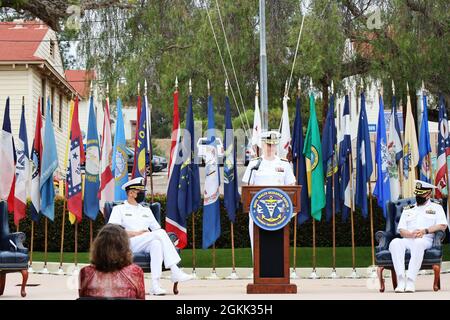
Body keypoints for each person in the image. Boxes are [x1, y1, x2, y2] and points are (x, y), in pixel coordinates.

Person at [108, 177, 192, 295]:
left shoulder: (146, 211)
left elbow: (157, 230)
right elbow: (113, 230)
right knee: (160, 235)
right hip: (127, 243)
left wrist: (149, 235)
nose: (142, 194)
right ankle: (175, 270)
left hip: (146, 241)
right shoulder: (119, 209)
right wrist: (135, 233)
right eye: (139, 191)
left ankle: (155, 286)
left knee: (156, 244)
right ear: (131, 193)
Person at [242, 130, 296, 252]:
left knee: (277, 247)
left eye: (273, 144)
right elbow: (247, 187)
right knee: (257, 246)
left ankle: (279, 271)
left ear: (276, 145)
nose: (270, 147)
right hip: (258, 212)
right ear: (262, 144)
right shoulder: (254, 164)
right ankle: (256, 271)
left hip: (280, 213)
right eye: (268, 144)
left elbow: (292, 187)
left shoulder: (284, 164)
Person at [389, 180, 448, 293]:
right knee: (395, 243)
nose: (418, 196)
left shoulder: (437, 208)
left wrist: (425, 231)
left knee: (418, 243)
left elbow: (443, 225)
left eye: (421, 194)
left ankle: (410, 281)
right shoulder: (408, 209)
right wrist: (410, 234)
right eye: (417, 193)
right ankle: (401, 280)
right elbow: (401, 230)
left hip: (425, 240)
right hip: (408, 238)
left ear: (428, 194)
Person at [79, 224, 146, 299]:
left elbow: (82, 296)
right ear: (124, 247)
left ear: (97, 246)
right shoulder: (135, 272)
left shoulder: (86, 273)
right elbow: (141, 298)